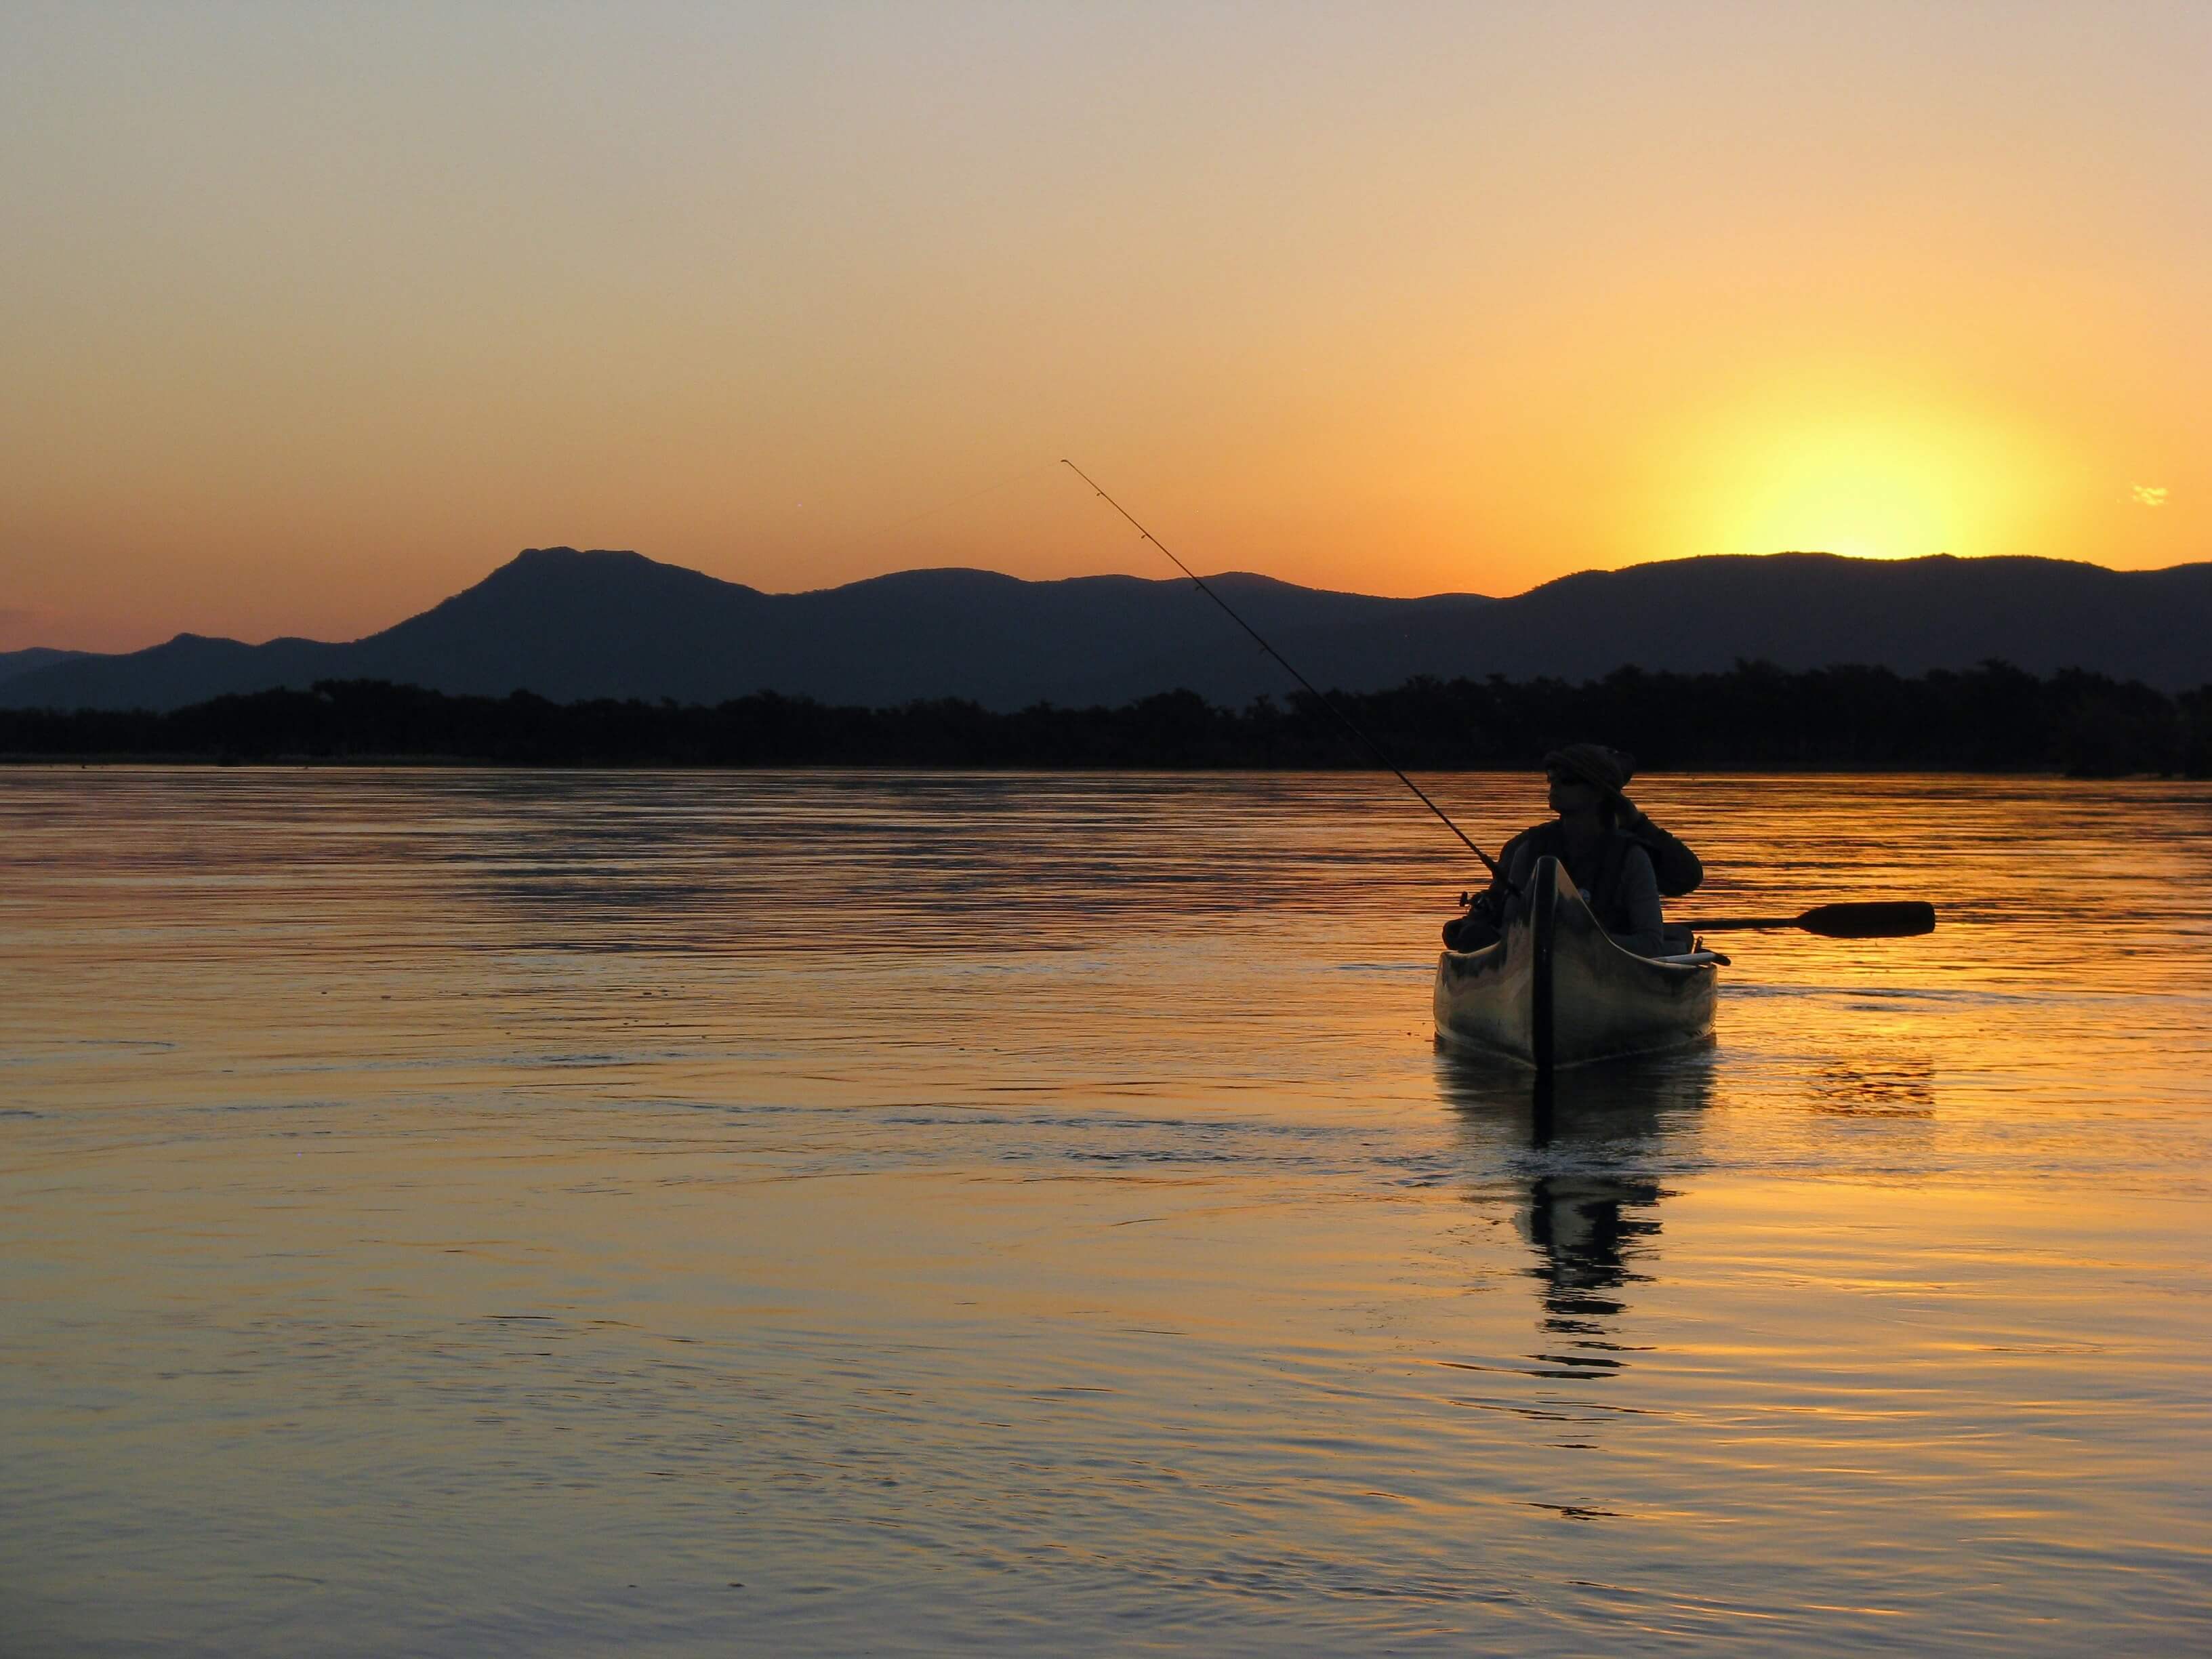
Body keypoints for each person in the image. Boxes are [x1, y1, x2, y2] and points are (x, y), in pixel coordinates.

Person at [1442, 743, 1702, 959]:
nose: (1554, 787)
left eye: (1568, 781)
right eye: (1552, 779)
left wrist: (1574, 942)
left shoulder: (1632, 855)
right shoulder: (1528, 848)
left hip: (1612, 964)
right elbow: (1511, 926)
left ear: (1600, 793)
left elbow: (1651, 944)